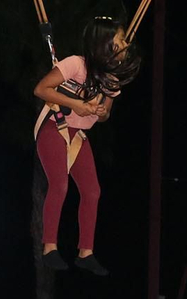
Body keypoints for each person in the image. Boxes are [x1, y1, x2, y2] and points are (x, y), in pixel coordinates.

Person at [32, 17, 141, 276]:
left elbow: (105, 115)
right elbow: (41, 89)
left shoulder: (111, 80)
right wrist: (78, 105)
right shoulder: (75, 64)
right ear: (105, 43)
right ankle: (49, 247)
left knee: (92, 191)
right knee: (60, 184)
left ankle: (86, 252)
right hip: (54, 127)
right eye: (120, 40)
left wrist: (100, 111)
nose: (125, 45)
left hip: (79, 135)